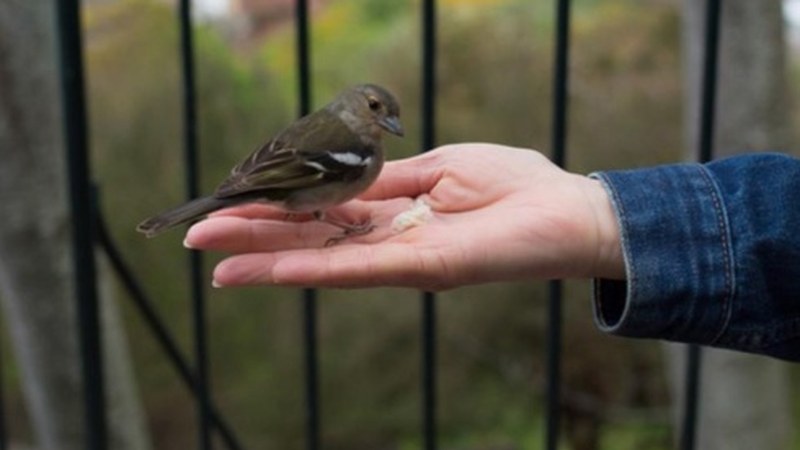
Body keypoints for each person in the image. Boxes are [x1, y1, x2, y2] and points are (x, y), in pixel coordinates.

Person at [183, 143, 800, 361]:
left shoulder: (346, 143)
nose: (387, 126)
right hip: (289, 184)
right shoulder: (347, 146)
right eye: (378, 111)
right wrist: (598, 215)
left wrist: (598, 215)